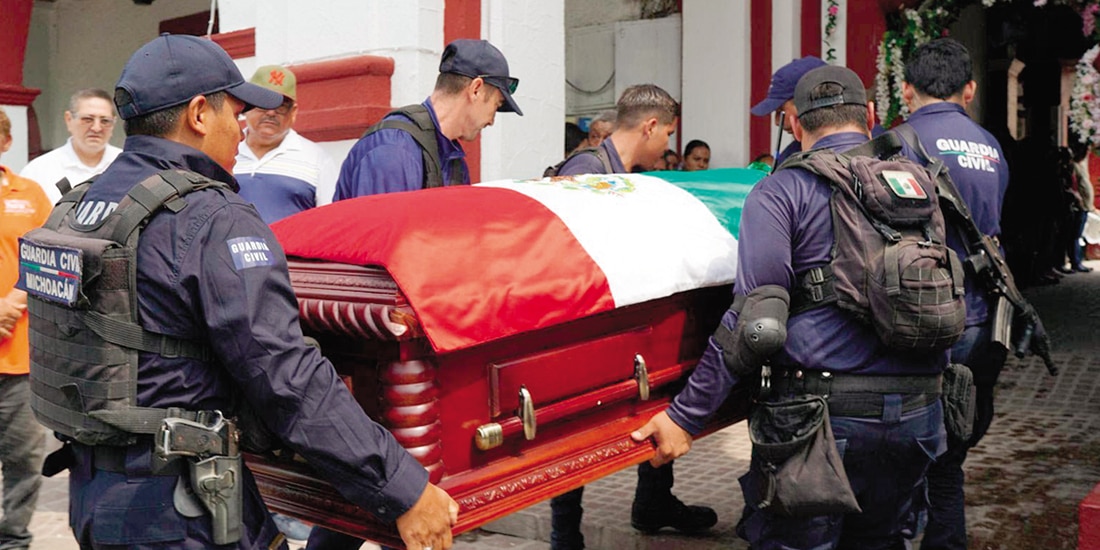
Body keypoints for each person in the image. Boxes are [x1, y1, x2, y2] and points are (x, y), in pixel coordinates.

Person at [34, 34, 457, 550]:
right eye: (235, 112)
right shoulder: (212, 218)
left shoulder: (82, 206)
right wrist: (403, 487)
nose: (242, 128)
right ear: (197, 113)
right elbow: (285, 375)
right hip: (179, 510)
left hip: (95, 493)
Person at [633, 65, 948, 548]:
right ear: (868, 115)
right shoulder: (920, 184)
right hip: (918, 415)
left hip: (819, 427)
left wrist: (685, 417)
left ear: (796, 125)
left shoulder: (782, 190)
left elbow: (757, 324)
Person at [548, 84, 717, 550]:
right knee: (573, 433)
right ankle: (566, 536)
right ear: (649, 126)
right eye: (667, 134)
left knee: (657, 404)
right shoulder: (585, 172)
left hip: (628, 319)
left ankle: (654, 504)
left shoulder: (625, 173)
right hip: (587, 326)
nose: (668, 146)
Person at [896, 39, 1011, 550]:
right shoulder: (990, 145)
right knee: (951, 443)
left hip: (920, 317)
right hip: (977, 316)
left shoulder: (895, 143)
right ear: (970, 88)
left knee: (910, 443)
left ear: (906, 89)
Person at [333, 39, 522, 199]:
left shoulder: (454, 160)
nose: (491, 121)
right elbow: (382, 239)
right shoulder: (394, 149)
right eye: (496, 106)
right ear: (476, 90)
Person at [0, 107, 51, 550]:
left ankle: (13, 540)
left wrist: (14, 301)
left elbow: (53, 263)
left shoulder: (30, 195)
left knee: (23, 460)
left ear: (5, 142)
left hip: (20, 358)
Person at [234, 64, 338, 224]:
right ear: (246, 105)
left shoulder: (317, 160)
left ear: (293, 112)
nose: (270, 112)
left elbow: (330, 222)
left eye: (280, 106)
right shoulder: (225, 151)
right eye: (263, 103)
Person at [20, 89, 122, 204]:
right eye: (88, 119)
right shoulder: (38, 171)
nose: (96, 128)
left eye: (105, 121)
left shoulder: (127, 165)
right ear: (69, 119)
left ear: (114, 123)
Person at [750, 56, 827, 166]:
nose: (777, 122)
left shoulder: (853, 154)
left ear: (811, 102)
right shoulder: (789, 157)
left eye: (780, 110)